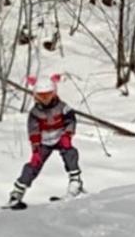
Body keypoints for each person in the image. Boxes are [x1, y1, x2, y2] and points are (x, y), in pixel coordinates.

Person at [7, 73, 85, 208]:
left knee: (70, 153)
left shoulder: (62, 107)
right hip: (44, 142)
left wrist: (67, 135)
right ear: (35, 95)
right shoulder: (35, 113)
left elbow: (71, 120)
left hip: (60, 137)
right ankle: (17, 193)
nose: (45, 99)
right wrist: (36, 150)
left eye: (48, 95)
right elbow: (33, 132)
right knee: (33, 165)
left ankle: (75, 183)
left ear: (54, 93)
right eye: (41, 96)